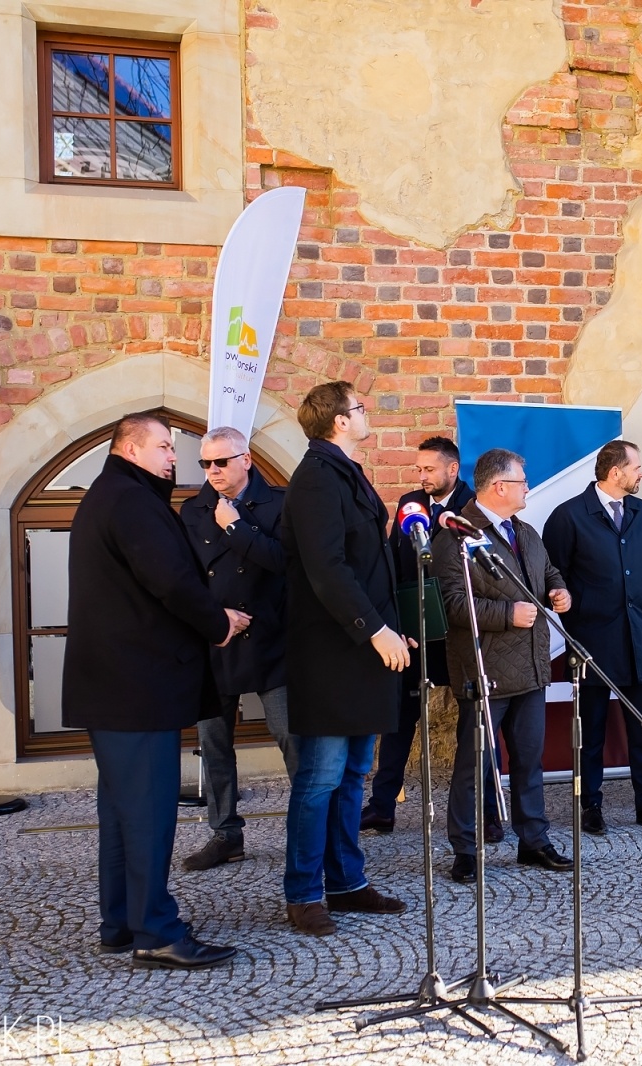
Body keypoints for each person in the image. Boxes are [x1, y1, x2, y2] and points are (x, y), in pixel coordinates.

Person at [61, 411, 246, 970]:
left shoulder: (111, 495)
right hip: (136, 688)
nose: (175, 457)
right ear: (132, 449)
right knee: (148, 813)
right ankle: (156, 931)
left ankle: (120, 923)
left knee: (123, 812)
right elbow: (170, 580)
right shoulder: (131, 500)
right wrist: (219, 624)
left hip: (119, 689)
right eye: (166, 447)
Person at [279, 381, 410, 936]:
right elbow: (327, 569)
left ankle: (347, 882)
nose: (365, 413)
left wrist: (393, 630)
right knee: (320, 778)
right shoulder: (313, 479)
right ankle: (304, 893)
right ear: (337, 421)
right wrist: (375, 629)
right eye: (359, 407)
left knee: (355, 774)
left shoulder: (345, 471)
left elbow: (367, 562)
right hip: (332, 654)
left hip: (363, 653)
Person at [431, 448, 574, 882]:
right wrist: (508, 614)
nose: (527, 488)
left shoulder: (525, 531)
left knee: (530, 760)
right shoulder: (456, 537)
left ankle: (534, 841)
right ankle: (467, 850)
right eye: (522, 482)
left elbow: (548, 571)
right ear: (499, 487)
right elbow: (454, 605)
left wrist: (559, 590)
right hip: (484, 671)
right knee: (475, 763)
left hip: (531, 667)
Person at [544, 439, 642, 835]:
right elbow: (552, 576)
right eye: (636, 467)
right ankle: (590, 804)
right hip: (591, 640)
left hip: (640, 636)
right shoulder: (569, 516)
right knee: (590, 728)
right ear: (615, 472)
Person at [360, 436, 499, 840]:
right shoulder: (409, 505)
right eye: (418, 469)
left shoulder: (475, 508)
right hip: (414, 635)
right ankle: (382, 807)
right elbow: (394, 567)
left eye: (429, 470)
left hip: (460, 634)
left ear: (452, 470)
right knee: (399, 722)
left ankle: (485, 812)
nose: (421, 477)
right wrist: (398, 625)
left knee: (474, 725)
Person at [178, 426, 296, 872]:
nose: (213, 471)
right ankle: (225, 834)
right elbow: (184, 575)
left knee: (291, 737)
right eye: (205, 464)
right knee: (213, 742)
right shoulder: (193, 510)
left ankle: (309, 832)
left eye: (221, 462)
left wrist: (238, 527)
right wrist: (215, 615)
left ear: (246, 459)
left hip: (271, 639)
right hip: (217, 638)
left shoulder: (280, 502)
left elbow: (285, 563)